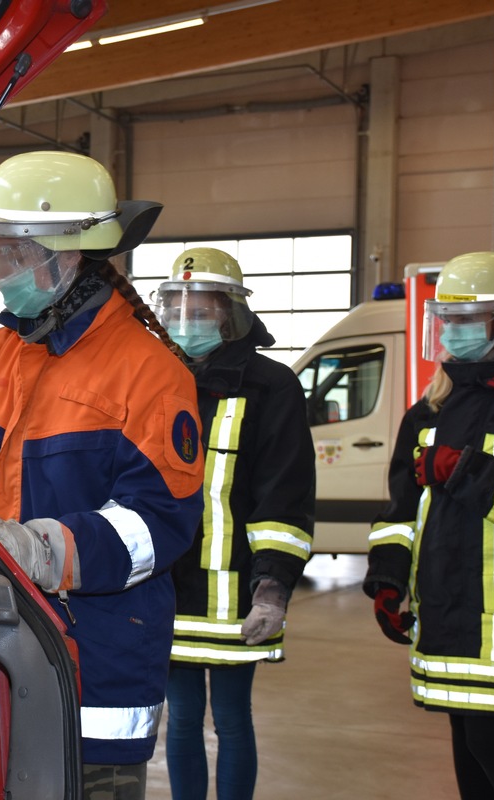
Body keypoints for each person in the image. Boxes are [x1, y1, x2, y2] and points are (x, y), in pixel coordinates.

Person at [0, 151, 204, 799]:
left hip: (100, 665)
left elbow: (160, 523)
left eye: (9, 254)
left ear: (65, 256)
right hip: (3, 647)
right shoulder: (1, 353)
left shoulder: (149, 372)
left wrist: (42, 550)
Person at [362, 251, 494, 800]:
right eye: (443, 319)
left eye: (463, 319)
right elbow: (401, 511)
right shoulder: (429, 409)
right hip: (447, 610)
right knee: (467, 745)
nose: (450, 332)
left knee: (489, 745)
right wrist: (386, 578)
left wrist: (466, 469)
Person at [153, 248, 315, 800]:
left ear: (229, 312)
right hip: (168, 587)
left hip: (237, 597)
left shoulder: (271, 386)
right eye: (175, 307)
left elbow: (285, 494)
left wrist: (271, 589)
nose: (184, 320)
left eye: (199, 310)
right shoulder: (156, 379)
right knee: (180, 720)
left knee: (231, 719)